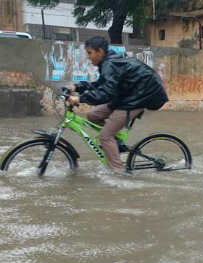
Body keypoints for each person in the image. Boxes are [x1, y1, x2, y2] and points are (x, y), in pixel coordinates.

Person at [67, 36, 168, 173]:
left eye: (90, 53)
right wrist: (77, 87)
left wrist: (80, 99)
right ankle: (116, 141)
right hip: (127, 96)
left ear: (100, 51)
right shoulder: (108, 63)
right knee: (92, 115)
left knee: (105, 136)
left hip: (138, 98)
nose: (88, 57)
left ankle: (118, 172)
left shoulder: (110, 64)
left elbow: (105, 94)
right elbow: (100, 85)